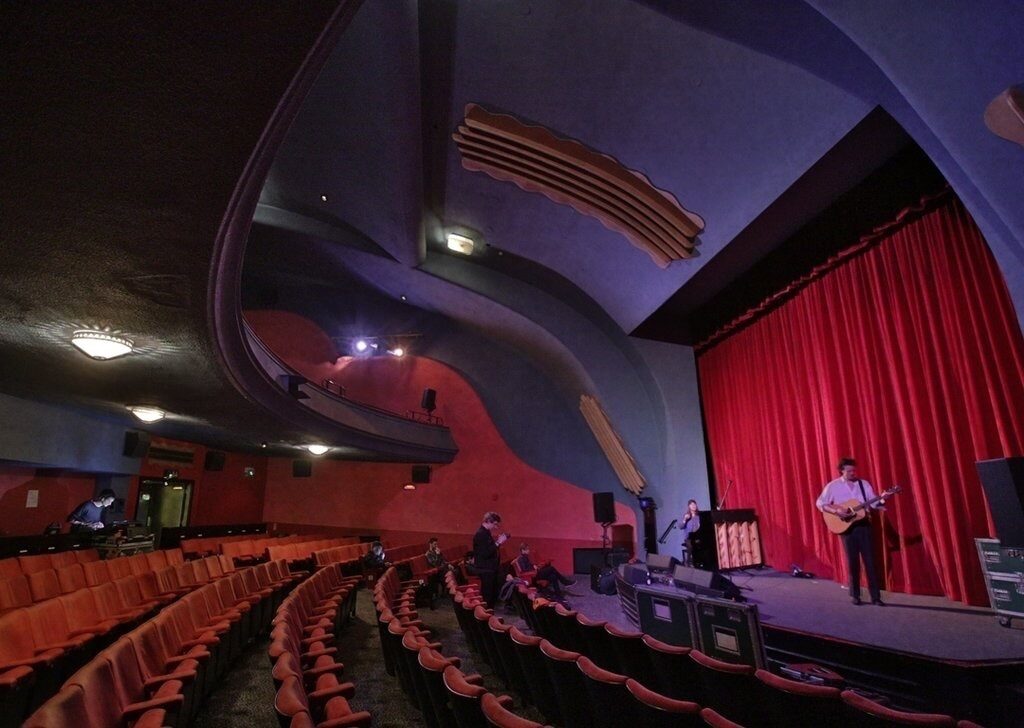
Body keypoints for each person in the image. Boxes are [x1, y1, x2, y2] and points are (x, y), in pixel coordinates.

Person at [816, 457, 885, 606]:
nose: (853, 473)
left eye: (854, 470)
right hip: (846, 528)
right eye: (849, 471)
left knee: (870, 561)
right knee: (852, 561)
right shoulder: (833, 486)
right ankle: (855, 595)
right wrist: (837, 511)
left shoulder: (863, 484)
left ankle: (876, 597)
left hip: (864, 525)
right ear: (842, 471)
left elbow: (873, 502)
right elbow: (821, 503)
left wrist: (882, 499)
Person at [472, 511, 509, 607]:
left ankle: (489, 613)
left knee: (491, 594)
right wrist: (498, 543)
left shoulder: (486, 533)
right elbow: (485, 553)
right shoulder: (480, 534)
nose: (496, 527)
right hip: (485, 569)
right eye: (495, 524)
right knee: (487, 596)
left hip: (490, 568)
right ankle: (486, 615)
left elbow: (490, 548)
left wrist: (497, 542)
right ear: (488, 521)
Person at [678, 499, 701, 566]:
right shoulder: (686, 515)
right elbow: (681, 526)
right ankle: (688, 563)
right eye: (691, 505)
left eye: (694, 504)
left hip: (698, 536)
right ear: (689, 506)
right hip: (688, 538)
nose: (693, 506)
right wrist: (685, 519)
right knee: (691, 546)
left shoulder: (699, 516)